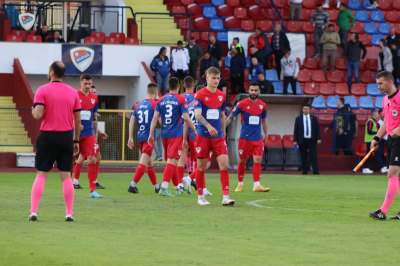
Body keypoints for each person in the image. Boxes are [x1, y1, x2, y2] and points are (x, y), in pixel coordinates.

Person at [29, 61, 81, 222]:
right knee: (66, 176)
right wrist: (76, 140)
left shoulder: (42, 90)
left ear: (51, 72)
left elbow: (37, 115)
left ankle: (34, 212)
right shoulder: (73, 93)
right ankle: (69, 213)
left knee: (41, 174)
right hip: (66, 137)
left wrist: (33, 109)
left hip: (47, 136)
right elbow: (77, 120)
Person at [194, 66, 235, 206]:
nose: (216, 80)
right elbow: (198, 115)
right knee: (201, 167)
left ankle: (226, 196)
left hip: (218, 137)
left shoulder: (221, 95)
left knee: (224, 164)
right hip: (203, 136)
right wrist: (208, 126)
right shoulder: (199, 95)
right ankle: (200, 196)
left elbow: (222, 115)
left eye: (218, 78)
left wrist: (223, 133)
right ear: (207, 78)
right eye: (213, 78)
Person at [148, 77, 195, 196]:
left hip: (165, 134)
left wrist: (151, 133)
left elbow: (155, 118)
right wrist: (196, 129)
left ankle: (177, 186)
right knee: (172, 160)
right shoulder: (180, 99)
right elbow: (185, 117)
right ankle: (164, 187)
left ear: (169, 86)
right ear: (179, 86)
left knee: (171, 161)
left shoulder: (161, 100)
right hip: (176, 134)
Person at [226, 83, 270, 192]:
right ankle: (240, 183)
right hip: (245, 138)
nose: (254, 92)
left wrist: (266, 134)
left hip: (257, 138)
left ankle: (257, 184)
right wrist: (222, 129)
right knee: (242, 161)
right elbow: (231, 117)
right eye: (252, 90)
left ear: (259, 91)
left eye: (256, 90)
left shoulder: (263, 105)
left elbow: (263, 121)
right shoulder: (241, 104)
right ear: (248, 91)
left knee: (257, 160)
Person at [369, 71, 400, 220]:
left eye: (380, 83)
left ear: (389, 81)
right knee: (397, 177)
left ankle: (383, 211)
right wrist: (377, 137)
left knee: (392, 174)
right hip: (392, 141)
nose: (379, 86)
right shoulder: (385, 100)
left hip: (399, 140)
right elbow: (387, 122)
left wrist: (397, 131)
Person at [69, 75, 103, 198]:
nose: (88, 86)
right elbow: (69, 113)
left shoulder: (95, 97)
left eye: (89, 84)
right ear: (81, 83)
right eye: (85, 84)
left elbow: (93, 117)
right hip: (75, 133)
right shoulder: (74, 95)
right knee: (71, 159)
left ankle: (92, 190)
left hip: (89, 133)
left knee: (93, 158)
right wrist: (75, 125)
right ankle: (71, 183)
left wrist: (98, 131)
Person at [127, 83, 160, 194]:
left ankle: (156, 186)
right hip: (149, 137)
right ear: (156, 92)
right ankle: (133, 184)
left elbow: (132, 120)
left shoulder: (138, 104)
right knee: (143, 162)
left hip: (140, 136)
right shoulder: (155, 104)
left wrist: (130, 137)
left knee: (149, 163)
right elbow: (159, 121)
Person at [294, 104, 321, 175]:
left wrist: (318, 138)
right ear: (302, 110)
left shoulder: (314, 118)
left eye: (307, 109)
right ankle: (304, 171)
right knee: (303, 156)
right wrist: (295, 140)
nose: (305, 110)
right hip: (302, 140)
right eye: (304, 109)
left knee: (313, 155)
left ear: (309, 110)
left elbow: (317, 129)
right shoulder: (298, 118)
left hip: (312, 139)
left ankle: (315, 171)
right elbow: (296, 130)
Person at [362, 108, 387, 174]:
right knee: (369, 155)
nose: (378, 115)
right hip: (369, 141)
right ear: (373, 114)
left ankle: (380, 167)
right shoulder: (370, 121)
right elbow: (369, 131)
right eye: (376, 114)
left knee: (373, 155)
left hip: (373, 141)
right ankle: (365, 168)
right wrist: (378, 133)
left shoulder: (375, 122)